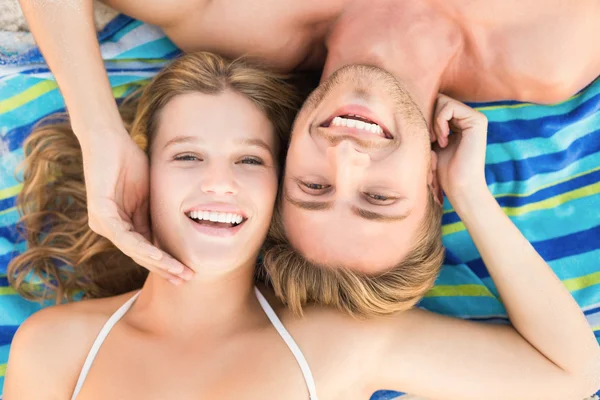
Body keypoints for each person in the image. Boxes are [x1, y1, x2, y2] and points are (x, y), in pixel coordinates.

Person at [4, 52, 600, 400]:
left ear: (282, 195)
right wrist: (97, 130)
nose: (219, 182)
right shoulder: (58, 347)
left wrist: (469, 194)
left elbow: (571, 375)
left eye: (250, 160)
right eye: (186, 156)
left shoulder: (337, 343)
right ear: (142, 176)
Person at [17, 0, 600, 285]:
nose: (347, 157)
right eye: (377, 198)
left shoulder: (244, 16)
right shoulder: (548, 55)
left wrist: (98, 131)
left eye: (313, 186)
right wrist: (472, 194)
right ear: (432, 179)